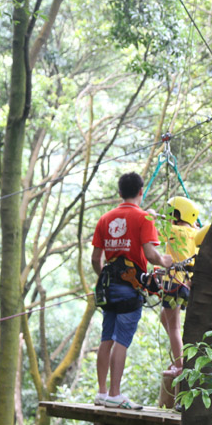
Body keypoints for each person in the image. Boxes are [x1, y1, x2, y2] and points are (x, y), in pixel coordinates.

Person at [91, 172, 172, 410]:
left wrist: (105, 277)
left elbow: (96, 258)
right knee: (122, 341)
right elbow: (149, 254)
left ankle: (102, 393)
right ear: (141, 191)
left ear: (119, 193)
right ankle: (115, 394)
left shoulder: (105, 218)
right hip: (131, 286)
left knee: (107, 338)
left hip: (109, 288)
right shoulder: (144, 218)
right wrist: (163, 261)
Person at [159, 196, 200, 379]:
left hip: (173, 281)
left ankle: (180, 365)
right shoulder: (195, 234)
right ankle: (179, 356)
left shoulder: (172, 229)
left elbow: (152, 229)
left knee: (173, 325)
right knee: (165, 318)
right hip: (186, 283)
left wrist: (152, 215)